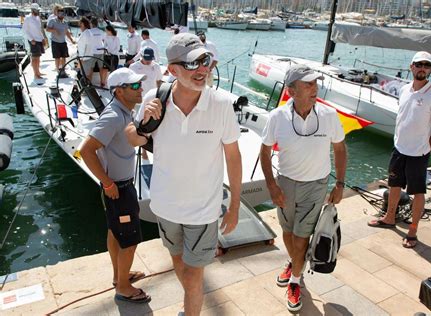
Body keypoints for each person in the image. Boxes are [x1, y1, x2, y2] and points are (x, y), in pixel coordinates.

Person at [125, 33, 242, 316]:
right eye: (194, 64)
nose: (203, 69)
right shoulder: (156, 97)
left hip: (203, 211)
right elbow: (132, 139)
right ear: (174, 70)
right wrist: (142, 125)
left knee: (194, 276)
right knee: (179, 264)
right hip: (165, 207)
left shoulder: (222, 105)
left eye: (207, 61)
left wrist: (235, 205)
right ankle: (191, 299)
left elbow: (233, 157)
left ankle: (191, 307)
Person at [260, 64, 347, 313]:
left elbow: (340, 149)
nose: (314, 88)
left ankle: (296, 280)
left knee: (301, 239)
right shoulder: (277, 117)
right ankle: (294, 263)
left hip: (316, 186)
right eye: (308, 84)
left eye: (315, 84)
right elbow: (265, 151)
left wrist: (339, 183)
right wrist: (272, 185)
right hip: (286, 183)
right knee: (287, 232)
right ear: (291, 91)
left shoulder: (329, 116)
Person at [80, 68, 150, 304]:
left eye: (139, 84)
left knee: (115, 233)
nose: (140, 88)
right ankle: (123, 288)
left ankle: (119, 276)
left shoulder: (125, 112)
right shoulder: (114, 116)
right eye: (134, 86)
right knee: (130, 240)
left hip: (120, 186)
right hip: (118, 188)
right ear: (119, 91)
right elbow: (86, 150)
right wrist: (108, 183)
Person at [367, 51, 431, 248]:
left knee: (417, 193)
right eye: (419, 64)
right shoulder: (404, 90)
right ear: (411, 67)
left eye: (427, 65)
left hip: (418, 153)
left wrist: (428, 148)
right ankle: (389, 217)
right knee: (394, 185)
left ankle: (413, 231)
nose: (422, 68)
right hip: (399, 149)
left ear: (430, 70)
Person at [46, 5, 75, 78]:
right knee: (57, 57)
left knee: (64, 57)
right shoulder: (52, 20)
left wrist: (71, 40)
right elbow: (47, 29)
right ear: (57, 13)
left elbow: (66, 32)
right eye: (60, 14)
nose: (61, 15)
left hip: (63, 42)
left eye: (63, 14)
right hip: (55, 42)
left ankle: (63, 70)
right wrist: (54, 30)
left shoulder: (65, 22)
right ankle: (58, 71)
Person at [22, 3, 46, 80]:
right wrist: (31, 39)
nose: (38, 11)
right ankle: (36, 74)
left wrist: (43, 39)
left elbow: (39, 30)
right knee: (34, 58)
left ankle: (38, 72)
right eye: (37, 10)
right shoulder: (27, 18)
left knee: (38, 58)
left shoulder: (38, 18)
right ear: (33, 10)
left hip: (39, 40)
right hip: (33, 40)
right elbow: (25, 30)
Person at [82, 17, 105, 82]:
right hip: (101, 51)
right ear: (97, 24)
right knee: (101, 68)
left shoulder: (89, 32)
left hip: (93, 52)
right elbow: (103, 40)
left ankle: (90, 82)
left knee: (91, 68)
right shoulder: (101, 31)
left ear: (91, 24)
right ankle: (102, 82)